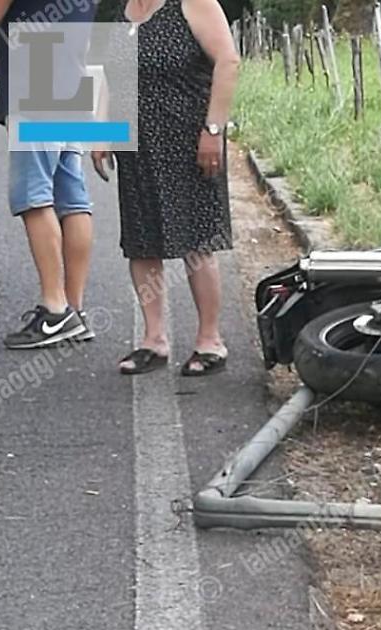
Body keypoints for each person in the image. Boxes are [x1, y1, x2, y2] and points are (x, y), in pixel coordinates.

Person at [93, 0, 240, 376]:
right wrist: (102, 132)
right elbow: (116, 77)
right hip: (137, 147)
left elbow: (228, 61)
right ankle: (153, 340)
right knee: (141, 241)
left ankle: (210, 341)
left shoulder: (192, 4)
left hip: (189, 142)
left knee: (196, 240)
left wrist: (213, 130)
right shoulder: (123, 11)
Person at [0, 0, 96, 349]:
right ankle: (73, 311)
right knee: (71, 197)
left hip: (35, 67)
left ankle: (55, 308)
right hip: (71, 68)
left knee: (33, 195)